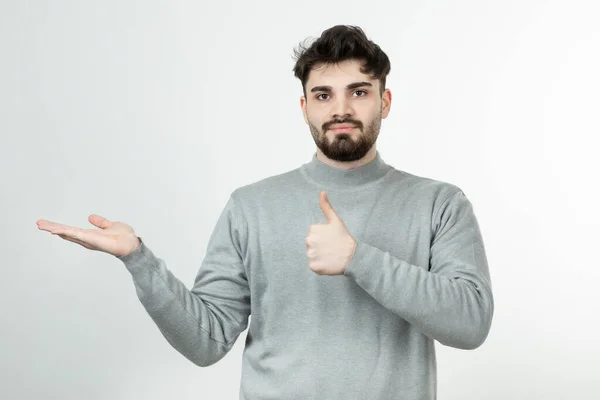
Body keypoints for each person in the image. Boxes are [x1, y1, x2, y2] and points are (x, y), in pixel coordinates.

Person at [37, 25, 494, 400]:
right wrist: (138, 259)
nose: (340, 109)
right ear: (304, 108)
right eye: (322, 95)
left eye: (358, 91)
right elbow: (206, 341)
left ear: (385, 101)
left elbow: (471, 324)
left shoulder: (440, 204)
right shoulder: (251, 206)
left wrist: (359, 259)